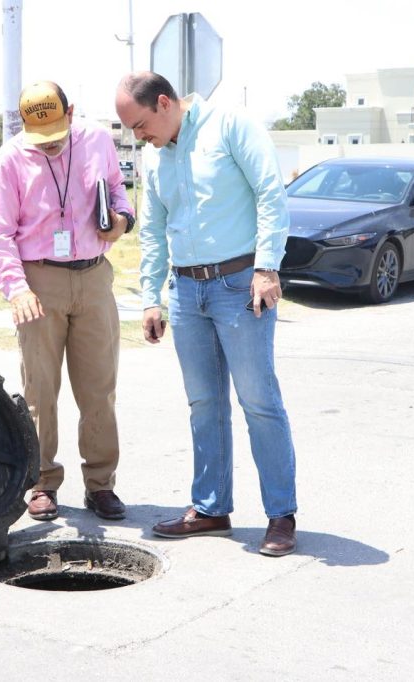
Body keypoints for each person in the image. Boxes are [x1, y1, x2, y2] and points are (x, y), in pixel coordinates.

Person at [114, 71, 299, 556]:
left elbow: (270, 193)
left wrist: (267, 268)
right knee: (204, 404)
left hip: (240, 286)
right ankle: (212, 508)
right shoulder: (156, 156)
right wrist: (151, 297)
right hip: (186, 292)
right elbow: (152, 229)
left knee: (259, 401)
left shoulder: (230, 125)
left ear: (164, 103)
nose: (138, 137)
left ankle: (281, 515)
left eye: (140, 125)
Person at [0, 81, 136, 522]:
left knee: (99, 389)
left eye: (55, 133)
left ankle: (101, 485)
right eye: (40, 137)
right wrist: (17, 288)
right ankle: (41, 482)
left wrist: (122, 220)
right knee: (39, 390)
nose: (49, 145)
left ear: (71, 113)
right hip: (38, 281)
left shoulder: (98, 140)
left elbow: (118, 190)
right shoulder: (10, 158)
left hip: (93, 276)